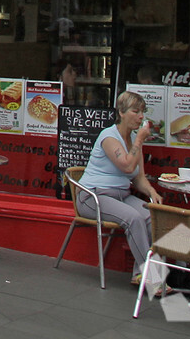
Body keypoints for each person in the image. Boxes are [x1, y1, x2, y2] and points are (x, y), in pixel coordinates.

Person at [77, 89, 160, 281]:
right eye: (135, 111)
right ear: (121, 113)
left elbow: (138, 177)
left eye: (142, 112)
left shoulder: (133, 140)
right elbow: (126, 165)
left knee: (151, 217)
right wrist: (139, 139)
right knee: (133, 218)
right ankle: (151, 277)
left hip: (121, 195)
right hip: (93, 196)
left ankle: (139, 273)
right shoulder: (109, 137)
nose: (140, 117)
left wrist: (151, 191)